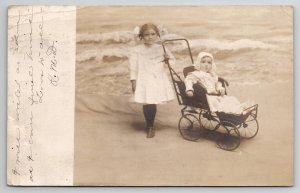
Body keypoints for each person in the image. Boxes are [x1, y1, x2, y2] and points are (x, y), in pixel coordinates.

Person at [129, 23, 175, 138]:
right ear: (141, 36)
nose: (150, 37)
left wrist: (167, 60)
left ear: (157, 35)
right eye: (146, 34)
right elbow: (133, 67)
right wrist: (133, 81)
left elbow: (172, 63)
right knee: (148, 101)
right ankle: (149, 126)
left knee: (153, 101)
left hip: (158, 78)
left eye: (153, 34)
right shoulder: (136, 50)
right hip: (144, 79)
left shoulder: (161, 48)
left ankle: (151, 125)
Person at [184, 52, 253, 115]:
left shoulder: (211, 75)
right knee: (223, 104)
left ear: (212, 64)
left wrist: (220, 88)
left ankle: (240, 109)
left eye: (209, 63)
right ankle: (239, 112)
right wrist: (189, 89)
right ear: (199, 63)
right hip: (207, 97)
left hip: (216, 95)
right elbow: (188, 80)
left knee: (229, 100)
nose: (206, 65)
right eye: (203, 62)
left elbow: (217, 83)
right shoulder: (196, 74)